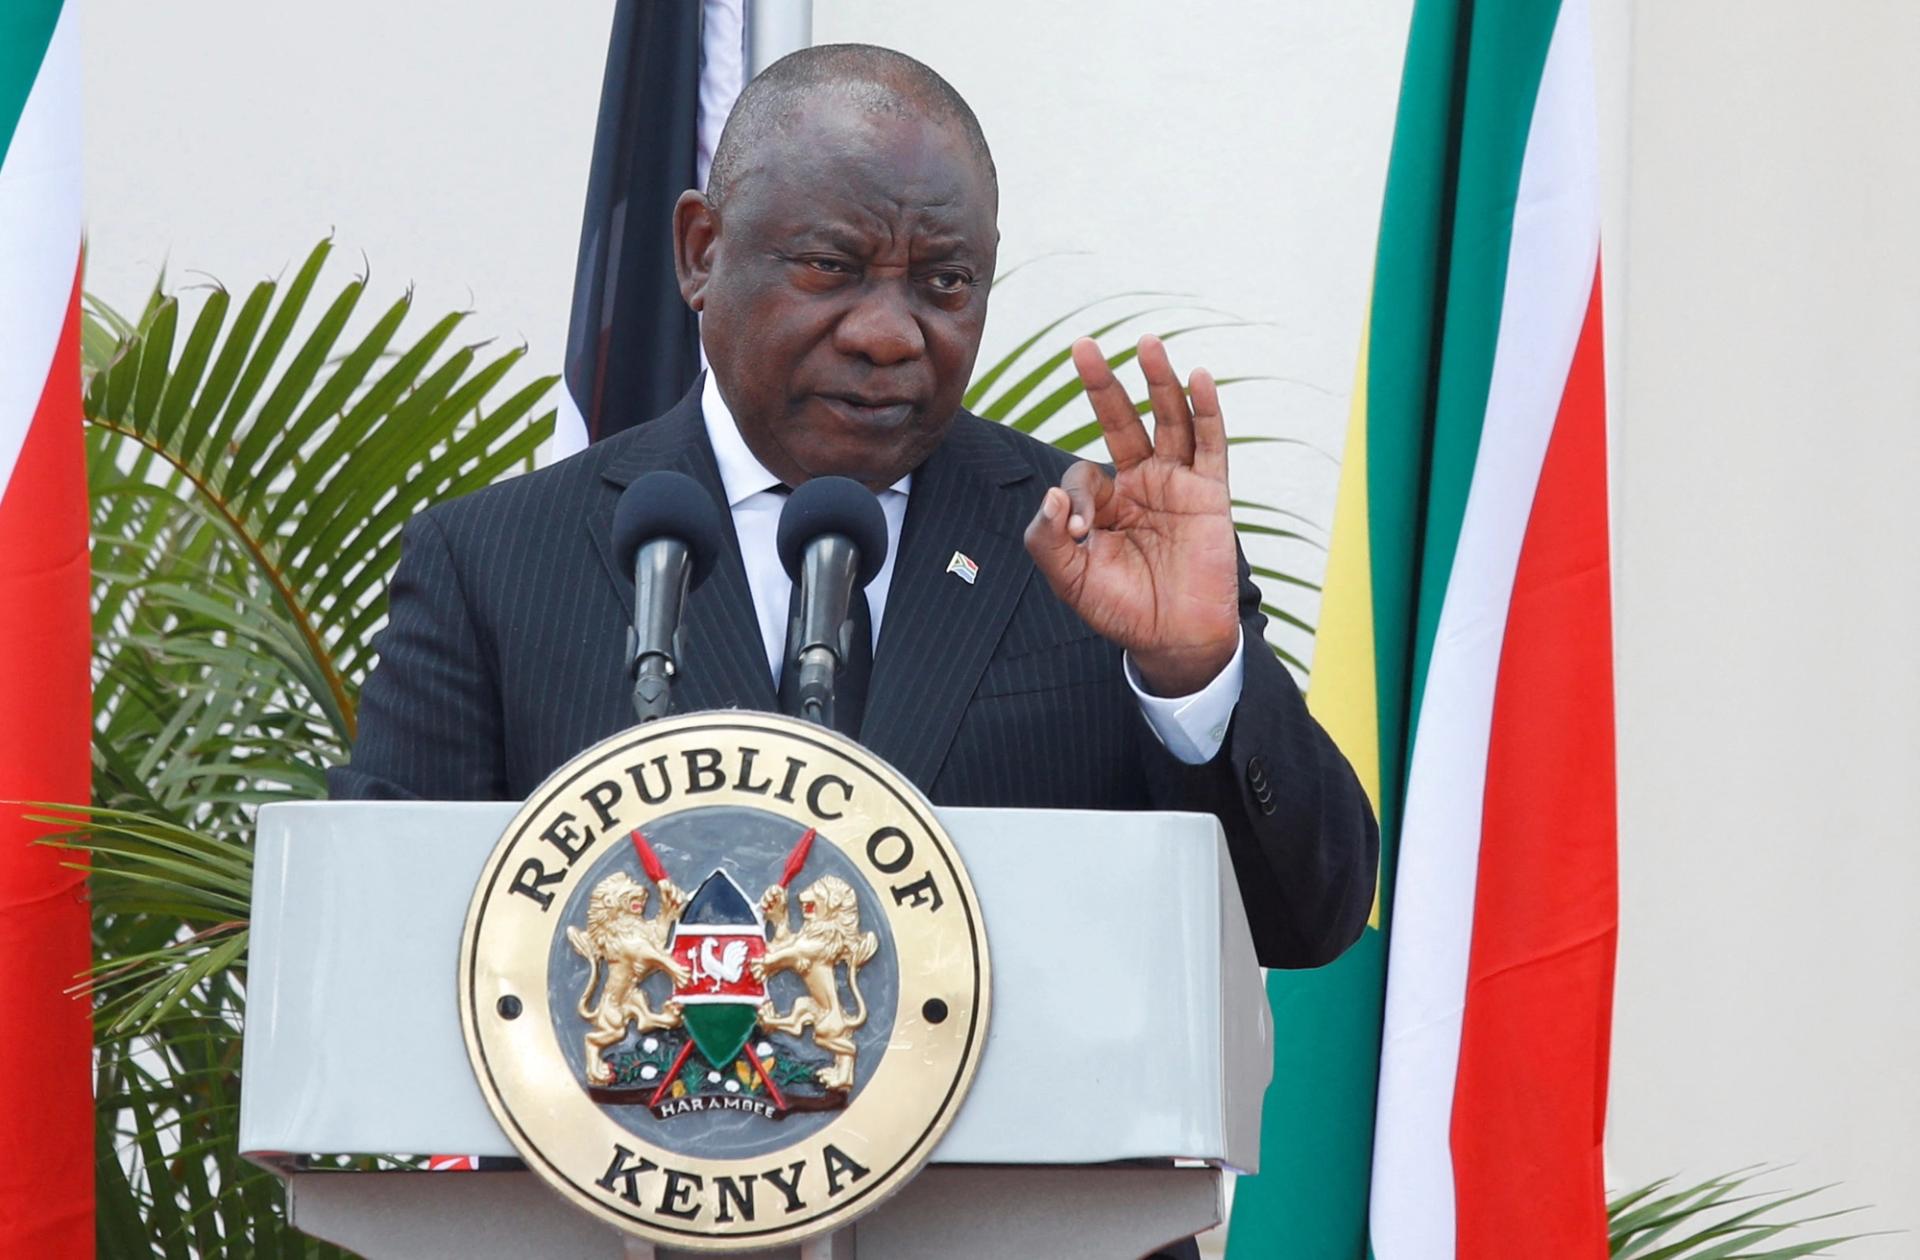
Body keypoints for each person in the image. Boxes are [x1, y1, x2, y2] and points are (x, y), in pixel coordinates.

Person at [330, 47, 1376, 1253]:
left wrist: (1195, 675)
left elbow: (1310, 918)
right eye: (831, 268)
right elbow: (385, 963)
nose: (890, 334)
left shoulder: (1098, 544)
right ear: (700, 251)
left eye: (946, 284)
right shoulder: (498, 561)